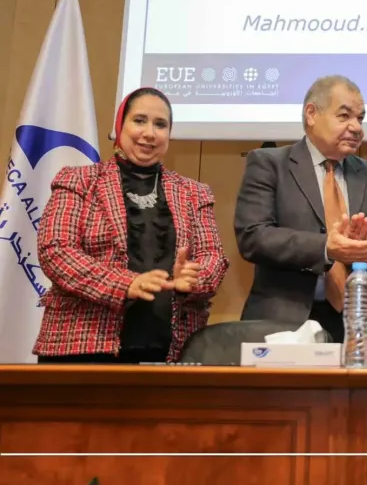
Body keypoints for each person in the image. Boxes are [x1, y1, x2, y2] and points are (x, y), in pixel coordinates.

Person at [34, 87, 230, 364]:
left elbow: (213, 258)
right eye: (139, 120)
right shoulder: (79, 180)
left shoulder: (194, 192)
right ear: (119, 126)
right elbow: (56, 251)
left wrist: (193, 278)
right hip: (82, 346)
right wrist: (127, 283)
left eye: (160, 124)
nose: (149, 133)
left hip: (170, 349)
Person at [234, 75, 367, 346]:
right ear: (312, 114)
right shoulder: (269, 164)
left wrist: (366, 252)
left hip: (356, 324)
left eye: (360, 118)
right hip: (283, 324)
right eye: (344, 116)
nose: (356, 127)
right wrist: (327, 248)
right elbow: (253, 236)